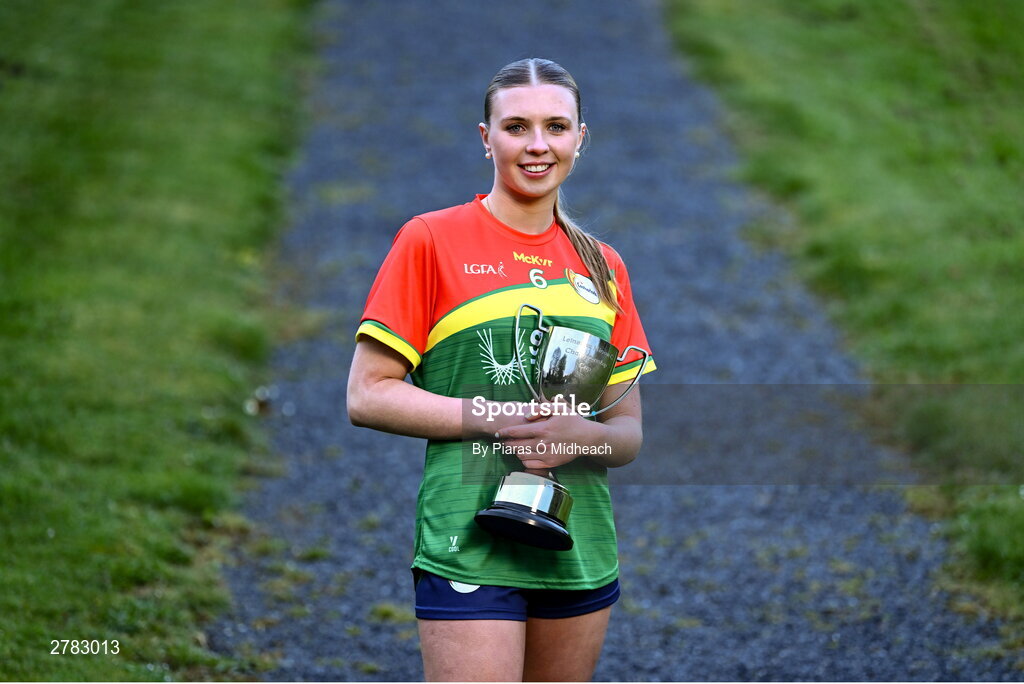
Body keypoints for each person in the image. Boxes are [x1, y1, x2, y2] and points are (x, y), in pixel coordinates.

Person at [347, 58, 656, 682]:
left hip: (577, 541)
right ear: (486, 138)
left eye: (555, 127)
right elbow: (368, 395)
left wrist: (580, 436)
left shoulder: (604, 266)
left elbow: (626, 434)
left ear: (579, 138)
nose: (537, 145)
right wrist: (499, 419)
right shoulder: (430, 240)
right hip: (467, 538)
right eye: (516, 126)